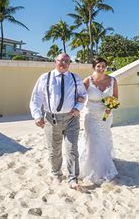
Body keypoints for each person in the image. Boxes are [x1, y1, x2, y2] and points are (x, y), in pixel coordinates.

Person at [29, 53, 87, 189]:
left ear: (69, 63)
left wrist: (78, 107)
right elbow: (36, 98)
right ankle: (56, 174)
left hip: (71, 118)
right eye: (61, 60)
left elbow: (83, 95)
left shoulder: (75, 78)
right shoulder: (45, 78)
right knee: (54, 150)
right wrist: (37, 115)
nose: (64, 63)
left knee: (72, 149)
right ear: (55, 61)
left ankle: (73, 178)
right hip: (51, 118)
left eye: (67, 61)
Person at [78, 57, 119, 185]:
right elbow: (79, 96)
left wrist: (111, 106)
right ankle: (94, 170)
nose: (101, 69)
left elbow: (116, 97)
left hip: (106, 115)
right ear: (94, 67)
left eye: (103, 66)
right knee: (93, 139)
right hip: (90, 114)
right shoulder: (87, 81)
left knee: (104, 138)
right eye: (98, 66)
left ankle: (104, 163)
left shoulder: (113, 80)